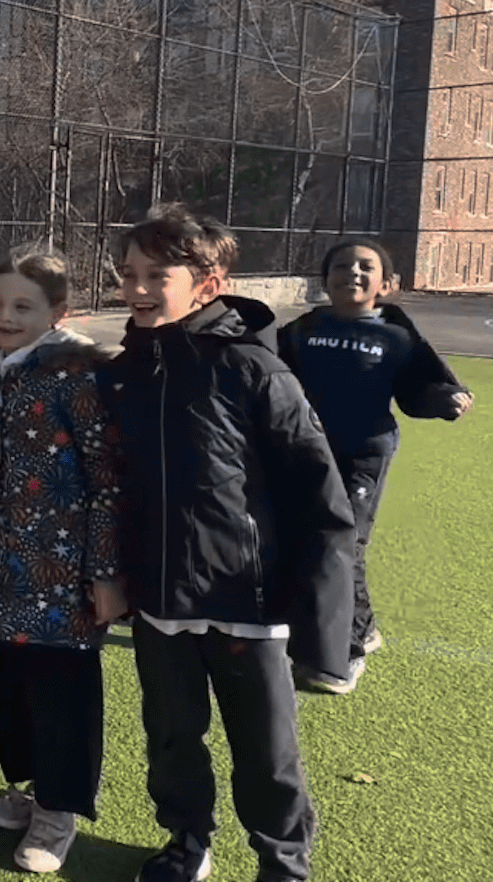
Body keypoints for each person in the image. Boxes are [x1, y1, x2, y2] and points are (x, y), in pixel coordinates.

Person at [103, 204, 356, 882]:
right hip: (159, 601)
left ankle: (282, 860)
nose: (138, 289)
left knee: (266, 749)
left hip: (248, 599)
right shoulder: (124, 370)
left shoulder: (252, 370)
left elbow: (322, 500)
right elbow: (112, 486)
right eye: (128, 274)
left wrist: (326, 629)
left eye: (158, 275)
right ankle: (187, 841)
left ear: (209, 284)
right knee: (172, 736)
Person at [0, 250, 123, 873]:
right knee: (11, 684)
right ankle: (29, 790)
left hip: (64, 573)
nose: (3, 316)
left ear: (58, 314)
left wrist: (105, 572)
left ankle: (61, 811)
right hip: (3, 570)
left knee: (62, 692)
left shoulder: (77, 378)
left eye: (22, 306)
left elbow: (107, 480)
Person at [278, 238, 473, 694]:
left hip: (364, 454)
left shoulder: (396, 337)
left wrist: (444, 400)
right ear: (324, 281)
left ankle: (345, 653)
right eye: (342, 266)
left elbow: (416, 392)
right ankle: (363, 626)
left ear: (385, 284)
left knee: (343, 544)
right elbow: (268, 376)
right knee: (312, 540)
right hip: (306, 452)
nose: (354, 273)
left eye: (366, 267)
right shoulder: (302, 329)